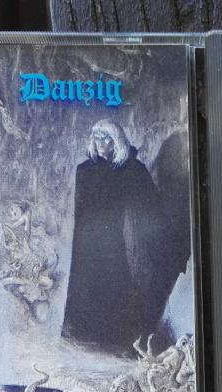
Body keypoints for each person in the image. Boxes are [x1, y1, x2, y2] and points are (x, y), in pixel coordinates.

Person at [62, 119, 171, 354]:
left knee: (119, 283)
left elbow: (152, 206)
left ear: (117, 141)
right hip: (90, 242)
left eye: (107, 138)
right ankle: (86, 334)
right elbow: (82, 211)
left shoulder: (133, 170)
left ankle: (116, 338)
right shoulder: (85, 171)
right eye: (97, 138)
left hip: (120, 241)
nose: (101, 143)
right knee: (89, 282)